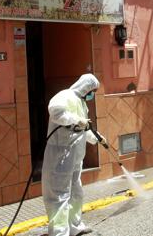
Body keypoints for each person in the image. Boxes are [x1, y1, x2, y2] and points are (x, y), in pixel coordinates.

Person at [42, 73, 107, 236]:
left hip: (75, 157)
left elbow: (82, 129)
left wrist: (96, 137)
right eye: (92, 90)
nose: (92, 94)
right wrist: (76, 119)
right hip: (60, 156)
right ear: (86, 87)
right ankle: (59, 233)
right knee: (59, 195)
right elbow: (56, 113)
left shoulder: (82, 103)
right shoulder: (64, 96)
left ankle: (75, 226)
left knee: (76, 193)